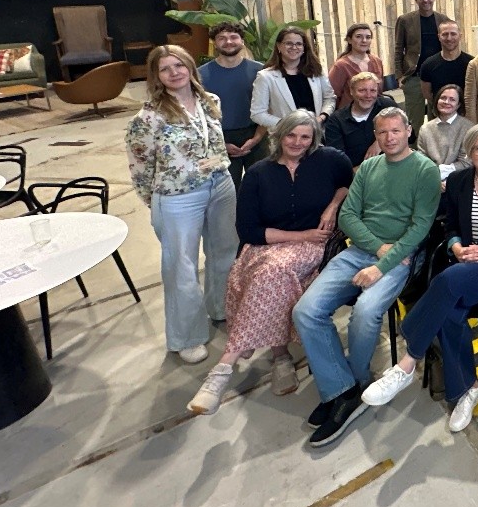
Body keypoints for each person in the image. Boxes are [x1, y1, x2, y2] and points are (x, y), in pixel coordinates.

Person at [361, 124, 478, 434]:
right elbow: (450, 226)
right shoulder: (457, 181)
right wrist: (455, 246)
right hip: (462, 262)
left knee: (447, 281)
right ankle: (470, 388)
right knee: (450, 312)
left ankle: (408, 361)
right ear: (469, 151)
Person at [294, 107, 441, 448]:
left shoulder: (425, 170)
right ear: (375, 135)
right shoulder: (370, 167)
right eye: (382, 132)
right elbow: (347, 215)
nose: (389, 138)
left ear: (408, 130)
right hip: (362, 250)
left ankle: (355, 382)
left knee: (365, 311)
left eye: (395, 130)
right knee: (305, 311)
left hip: (401, 258)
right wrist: (377, 248)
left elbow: (420, 227)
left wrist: (383, 264)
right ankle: (345, 388)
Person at [188, 111, 353, 415]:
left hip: (314, 246)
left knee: (273, 272)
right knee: (271, 273)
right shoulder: (258, 173)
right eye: (291, 135)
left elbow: (348, 182)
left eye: (305, 137)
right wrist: (300, 234)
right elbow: (248, 230)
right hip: (267, 246)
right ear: (279, 136)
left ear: (314, 139)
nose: (298, 142)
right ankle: (279, 356)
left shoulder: (329, 160)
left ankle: (224, 368)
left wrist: (332, 206)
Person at [127, 45, 238, 365]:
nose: (174, 72)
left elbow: (214, 143)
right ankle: (186, 337)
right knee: (181, 266)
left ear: (190, 67)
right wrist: (154, 201)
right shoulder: (148, 117)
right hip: (177, 196)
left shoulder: (210, 101)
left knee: (224, 252)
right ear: (156, 76)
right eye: (165, 68)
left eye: (179, 65)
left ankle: (221, 308)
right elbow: (139, 165)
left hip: (219, 184)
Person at [197, 22, 264, 187]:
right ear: (214, 43)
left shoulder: (260, 71)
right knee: (227, 189)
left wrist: (256, 138)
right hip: (220, 138)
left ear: (242, 41)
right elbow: (198, 114)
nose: (228, 42)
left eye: (234, 37)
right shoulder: (200, 75)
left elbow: (269, 107)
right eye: (222, 38)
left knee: (262, 185)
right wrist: (221, 144)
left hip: (256, 135)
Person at [250, 26, 336, 137]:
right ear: (279, 46)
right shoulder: (266, 77)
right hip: (284, 136)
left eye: (299, 44)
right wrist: (288, 125)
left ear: (304, 48)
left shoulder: (316, 71)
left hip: (316, 134)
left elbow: (329, 98)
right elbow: (257, 114)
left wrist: (321, 117)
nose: (294, 47)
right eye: (289, 43)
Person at [393, 0, 449, 130]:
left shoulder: (443, 19)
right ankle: (414, 145)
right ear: (416, 0)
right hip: (414, 77)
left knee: (437, 120)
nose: (425, 0)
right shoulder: (405, 20)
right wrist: (399, 76)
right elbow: (398, 49)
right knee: (413, 122)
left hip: (438, 76)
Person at [322, 71, 398, 169]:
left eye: (373, 90)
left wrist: (379, 142)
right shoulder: (336, 121)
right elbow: (337, 162)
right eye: (362, 90)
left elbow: (410, 135)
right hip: (357, 173)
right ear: (351, 91)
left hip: (393, 166)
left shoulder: (387, 106)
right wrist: (365, 169)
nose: (368, 95)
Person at [416, 84, 471, 186]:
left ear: (458, 104)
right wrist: (435, 179)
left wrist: (443, 177)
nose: (446, 102)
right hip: (430, 180)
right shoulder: (425, 129)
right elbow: (422, 159)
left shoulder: (468, 128)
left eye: (452, 99)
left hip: (460, 180)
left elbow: (466, 162)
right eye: (443, 98)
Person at [327, 23, 385, 110]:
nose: (364, 40)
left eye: (368, 37)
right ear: (349, 40)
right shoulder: (341, 66)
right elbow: (332, 96)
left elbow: (379, 92)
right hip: (349, 114)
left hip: (375, 111)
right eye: (358, 37)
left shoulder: (377, 61)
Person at [419, 20, 471, 115]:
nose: (449, 38)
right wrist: (446, 107)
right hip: (439, 114)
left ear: (460, 36)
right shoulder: (428, 65)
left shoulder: (471, 64)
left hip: (466, 113)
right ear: (439, 37)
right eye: (445, 34)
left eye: (453, 34)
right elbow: (427, 94)